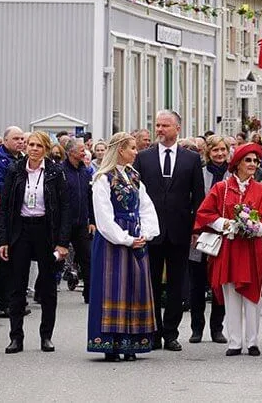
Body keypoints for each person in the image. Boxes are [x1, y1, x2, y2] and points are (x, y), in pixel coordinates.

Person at [194, 143, 262, 357]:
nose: (253, 164)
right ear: (238, 164)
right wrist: (225, 224)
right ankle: (234, 341)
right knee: (231, 292)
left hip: (253, 248)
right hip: (230, 247)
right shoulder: (221, 188)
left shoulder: (261, 189)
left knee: (253, 294)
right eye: (248, 160)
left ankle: (252, 341)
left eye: (255, 160)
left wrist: (258, 229)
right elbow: (205, 214)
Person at [133, 110, 205, 352]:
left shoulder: (190, 159)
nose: (160, 130)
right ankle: (152, 332)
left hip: (180, 230)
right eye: (157, 125)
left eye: (165, 125)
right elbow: (136, 195)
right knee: (151, 282)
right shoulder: (143, 157)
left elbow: (199, 197)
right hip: (151, 231)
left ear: (177, 128)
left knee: (176, 284)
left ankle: (171, 333)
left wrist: (198, 229)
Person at [87, 133, 159, 362]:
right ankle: (110, 344)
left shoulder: (133, 176)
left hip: (135, 236)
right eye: (132, 148)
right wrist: (125, 238)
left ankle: (130, 343)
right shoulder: (102, 178)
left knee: (133, 288)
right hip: (113, 241)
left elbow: (146, 206)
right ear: (120, 150)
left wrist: (146, 233)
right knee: (113, 287)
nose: (136, 152)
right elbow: (103, 217)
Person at [0, 131, 70, 354]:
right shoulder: (15, 169)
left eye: (38, 145)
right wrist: (4, 240)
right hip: (21, 229)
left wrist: (62, 242)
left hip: (46, 230)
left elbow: (65, 208)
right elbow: (4, 206)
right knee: (17, 286)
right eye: (30, 144)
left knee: (48, 287)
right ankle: (15, 337)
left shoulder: (55, 172)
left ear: (46, 149)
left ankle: (46, 336)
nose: (34, 148)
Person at [188, 135, 230, 344]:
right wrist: (194, 230)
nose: (220, 154)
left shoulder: (233, 174)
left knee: (219, 283)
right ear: (208, 152)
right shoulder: (200, 173)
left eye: (223, 150)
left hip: (225, 235)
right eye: (215, 150)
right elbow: (194, 204)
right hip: (200, 234)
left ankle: (217, 328)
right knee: (197, 282)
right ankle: (197, 328)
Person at [0, 125, 25, 318]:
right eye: (16, 139)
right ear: (6, 141)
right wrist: (18, 191)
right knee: (4, 260)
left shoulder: (23, 160)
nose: (20, 142)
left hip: (20, 216)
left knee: (18, 261)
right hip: (4, 216)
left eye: (21, 139)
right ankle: (3, 301)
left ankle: (15, 299)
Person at [62, 138, 95, 304]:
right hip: (64, 223)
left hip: (82, 223)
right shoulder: (61, 171)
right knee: (57, 257)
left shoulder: (86, 172)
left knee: (87, 258)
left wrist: (92, 221)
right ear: (71, 152)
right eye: (81, 150)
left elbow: (90, 198)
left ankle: (89, 293)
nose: (84, 152)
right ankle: (42, 290)